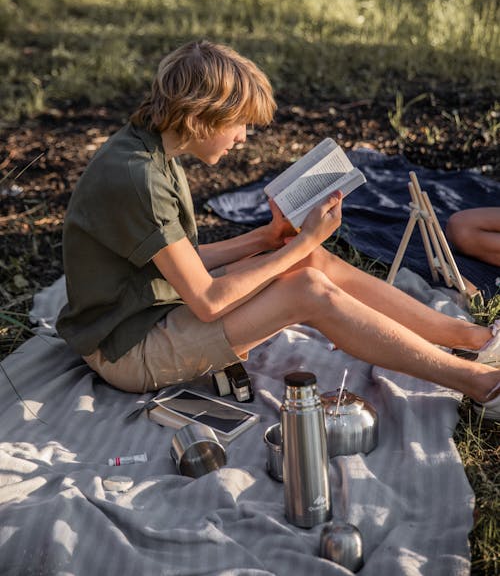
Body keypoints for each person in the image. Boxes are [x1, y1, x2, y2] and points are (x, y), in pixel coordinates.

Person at [56, 40, 500, 419]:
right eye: (240, 122)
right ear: (200, 117)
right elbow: (208, 301)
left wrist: (268, 239)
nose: (245, 136)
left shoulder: (150, 151)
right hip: (129, 350)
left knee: (309, 259)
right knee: (306, 287)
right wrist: (301, 241)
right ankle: (480, 383)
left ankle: (475, 340)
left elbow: (184, 261)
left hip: (149, 309)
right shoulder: (140, 178)